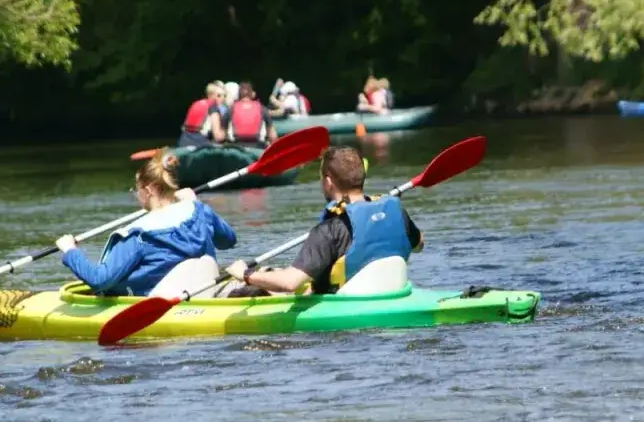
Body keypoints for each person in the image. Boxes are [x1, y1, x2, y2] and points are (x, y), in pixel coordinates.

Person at [225, 145, 422, 295]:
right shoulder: (397, 213)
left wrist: (245, 274)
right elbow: (418, 244)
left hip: (343, 305)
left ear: (328, 182)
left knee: (238, 289)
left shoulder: (330, 229)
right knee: (275, 272)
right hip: (391, 294)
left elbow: (290, 283)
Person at [56, 152, 237, 296]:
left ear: (149, 190)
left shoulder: (138, 235)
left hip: (161, 304)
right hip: (204, 295)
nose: (136, 194)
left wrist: (70, 251)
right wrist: (195, 203)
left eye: (136, 189)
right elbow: (228, 240)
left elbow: (99, 280)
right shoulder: (199, 211)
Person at [178, 81, 227, 147]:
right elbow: (218, 137)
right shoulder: (213, 108)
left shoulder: (197, 103)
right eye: (219, 95)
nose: (223, 98)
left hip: (183, 141)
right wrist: (226, 132)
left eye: (224, 95)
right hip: (200, 144)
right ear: (210, 95)